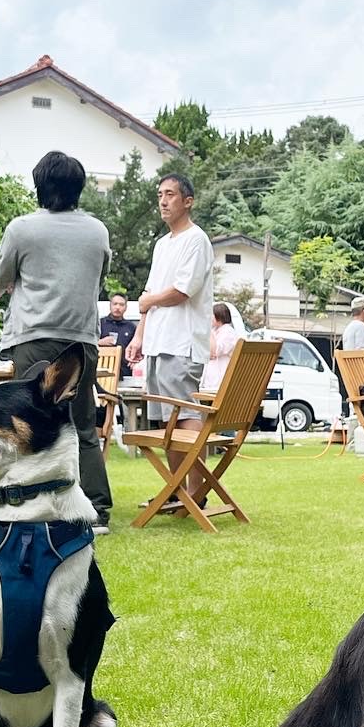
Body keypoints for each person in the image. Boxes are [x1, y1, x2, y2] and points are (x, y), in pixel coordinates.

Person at [0, 150, 114, 533]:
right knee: (83, 426)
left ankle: (31, 503)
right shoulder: (98, 231)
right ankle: (96, 511)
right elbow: (97, 280)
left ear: (39, 186)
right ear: (78, 188)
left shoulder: (22, 228)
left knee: (27, 424)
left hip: (33, 337)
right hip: (81, 340)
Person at [126, 173, 214, 502]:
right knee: (168, 421)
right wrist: (139, 336)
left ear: (187, 201)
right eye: (160, 195)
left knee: (187, 417)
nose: (163, 201)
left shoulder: (196, 240)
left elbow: (181, 291)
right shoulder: (162, 244)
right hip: (157, 343)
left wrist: (148, 302)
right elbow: (149, 295)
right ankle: (178, 492)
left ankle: (196, 492)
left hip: (182, 344)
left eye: (170, 195)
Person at [200, 302, 240, 394]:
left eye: (212, 315)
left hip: (220, 381)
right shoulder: (215, 331)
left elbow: (214, 351)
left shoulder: (228, 332)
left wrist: (208, 330)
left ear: (219, 315)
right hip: (211, 381)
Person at [98, 292, 137, 378]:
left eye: (121, 304)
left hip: (125, 372)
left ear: (126, 307)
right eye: (115, 304)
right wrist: (100, 342)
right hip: (102, 371)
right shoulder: (99, 324)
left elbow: (136, 349)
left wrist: (134, 361)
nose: (117, 307)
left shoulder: (131, 327)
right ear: (110, 305)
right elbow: (89, 344)